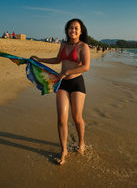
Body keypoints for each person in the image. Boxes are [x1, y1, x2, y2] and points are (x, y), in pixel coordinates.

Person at [32, 18, 90, 165]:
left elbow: (85, 67)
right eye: (71, 28)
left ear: (81, 31)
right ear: (67, 30)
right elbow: (58, 59)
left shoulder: (83, 47)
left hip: (77, 84)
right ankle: (64, 149)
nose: (73, 30)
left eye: (76, 28)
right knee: (61, 118)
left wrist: (67, 72)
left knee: (76, 117)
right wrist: (41, 59)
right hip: (62, 83)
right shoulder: (63, 44)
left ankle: (81, 142)